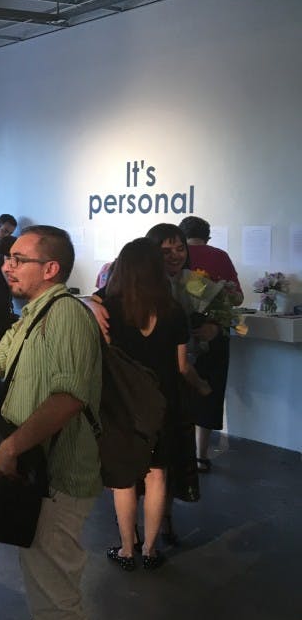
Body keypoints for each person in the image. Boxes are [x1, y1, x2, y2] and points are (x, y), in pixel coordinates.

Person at [0, 225, 101, 620]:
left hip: (58, 475)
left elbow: (69, 397)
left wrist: (10, 448)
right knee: (43, 580)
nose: (7, 266)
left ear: (51, 268)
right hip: (37, 471)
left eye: (19, 259)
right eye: (8, 258)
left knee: (56, 595)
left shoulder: (67, 314)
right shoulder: (32, 316)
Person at [99, 238, 203, 572]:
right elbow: (183, 366)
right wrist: (202, 387)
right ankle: (150, 549)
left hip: (122, 404)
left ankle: (127, 549)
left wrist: (90, 302)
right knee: (157, 475)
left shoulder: (109, 308)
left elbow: (82, 306)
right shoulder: (173, 310)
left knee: (124, 479)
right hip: (164, 403)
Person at [179, 215, 243, 473]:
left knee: (180, 392)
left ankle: (177, 453)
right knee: (209, 391)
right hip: (214, 334)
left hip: (181, 333)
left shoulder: (178, 259)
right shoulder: (219, 256)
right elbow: (237, 298)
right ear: (208, 235)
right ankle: (201, 455)